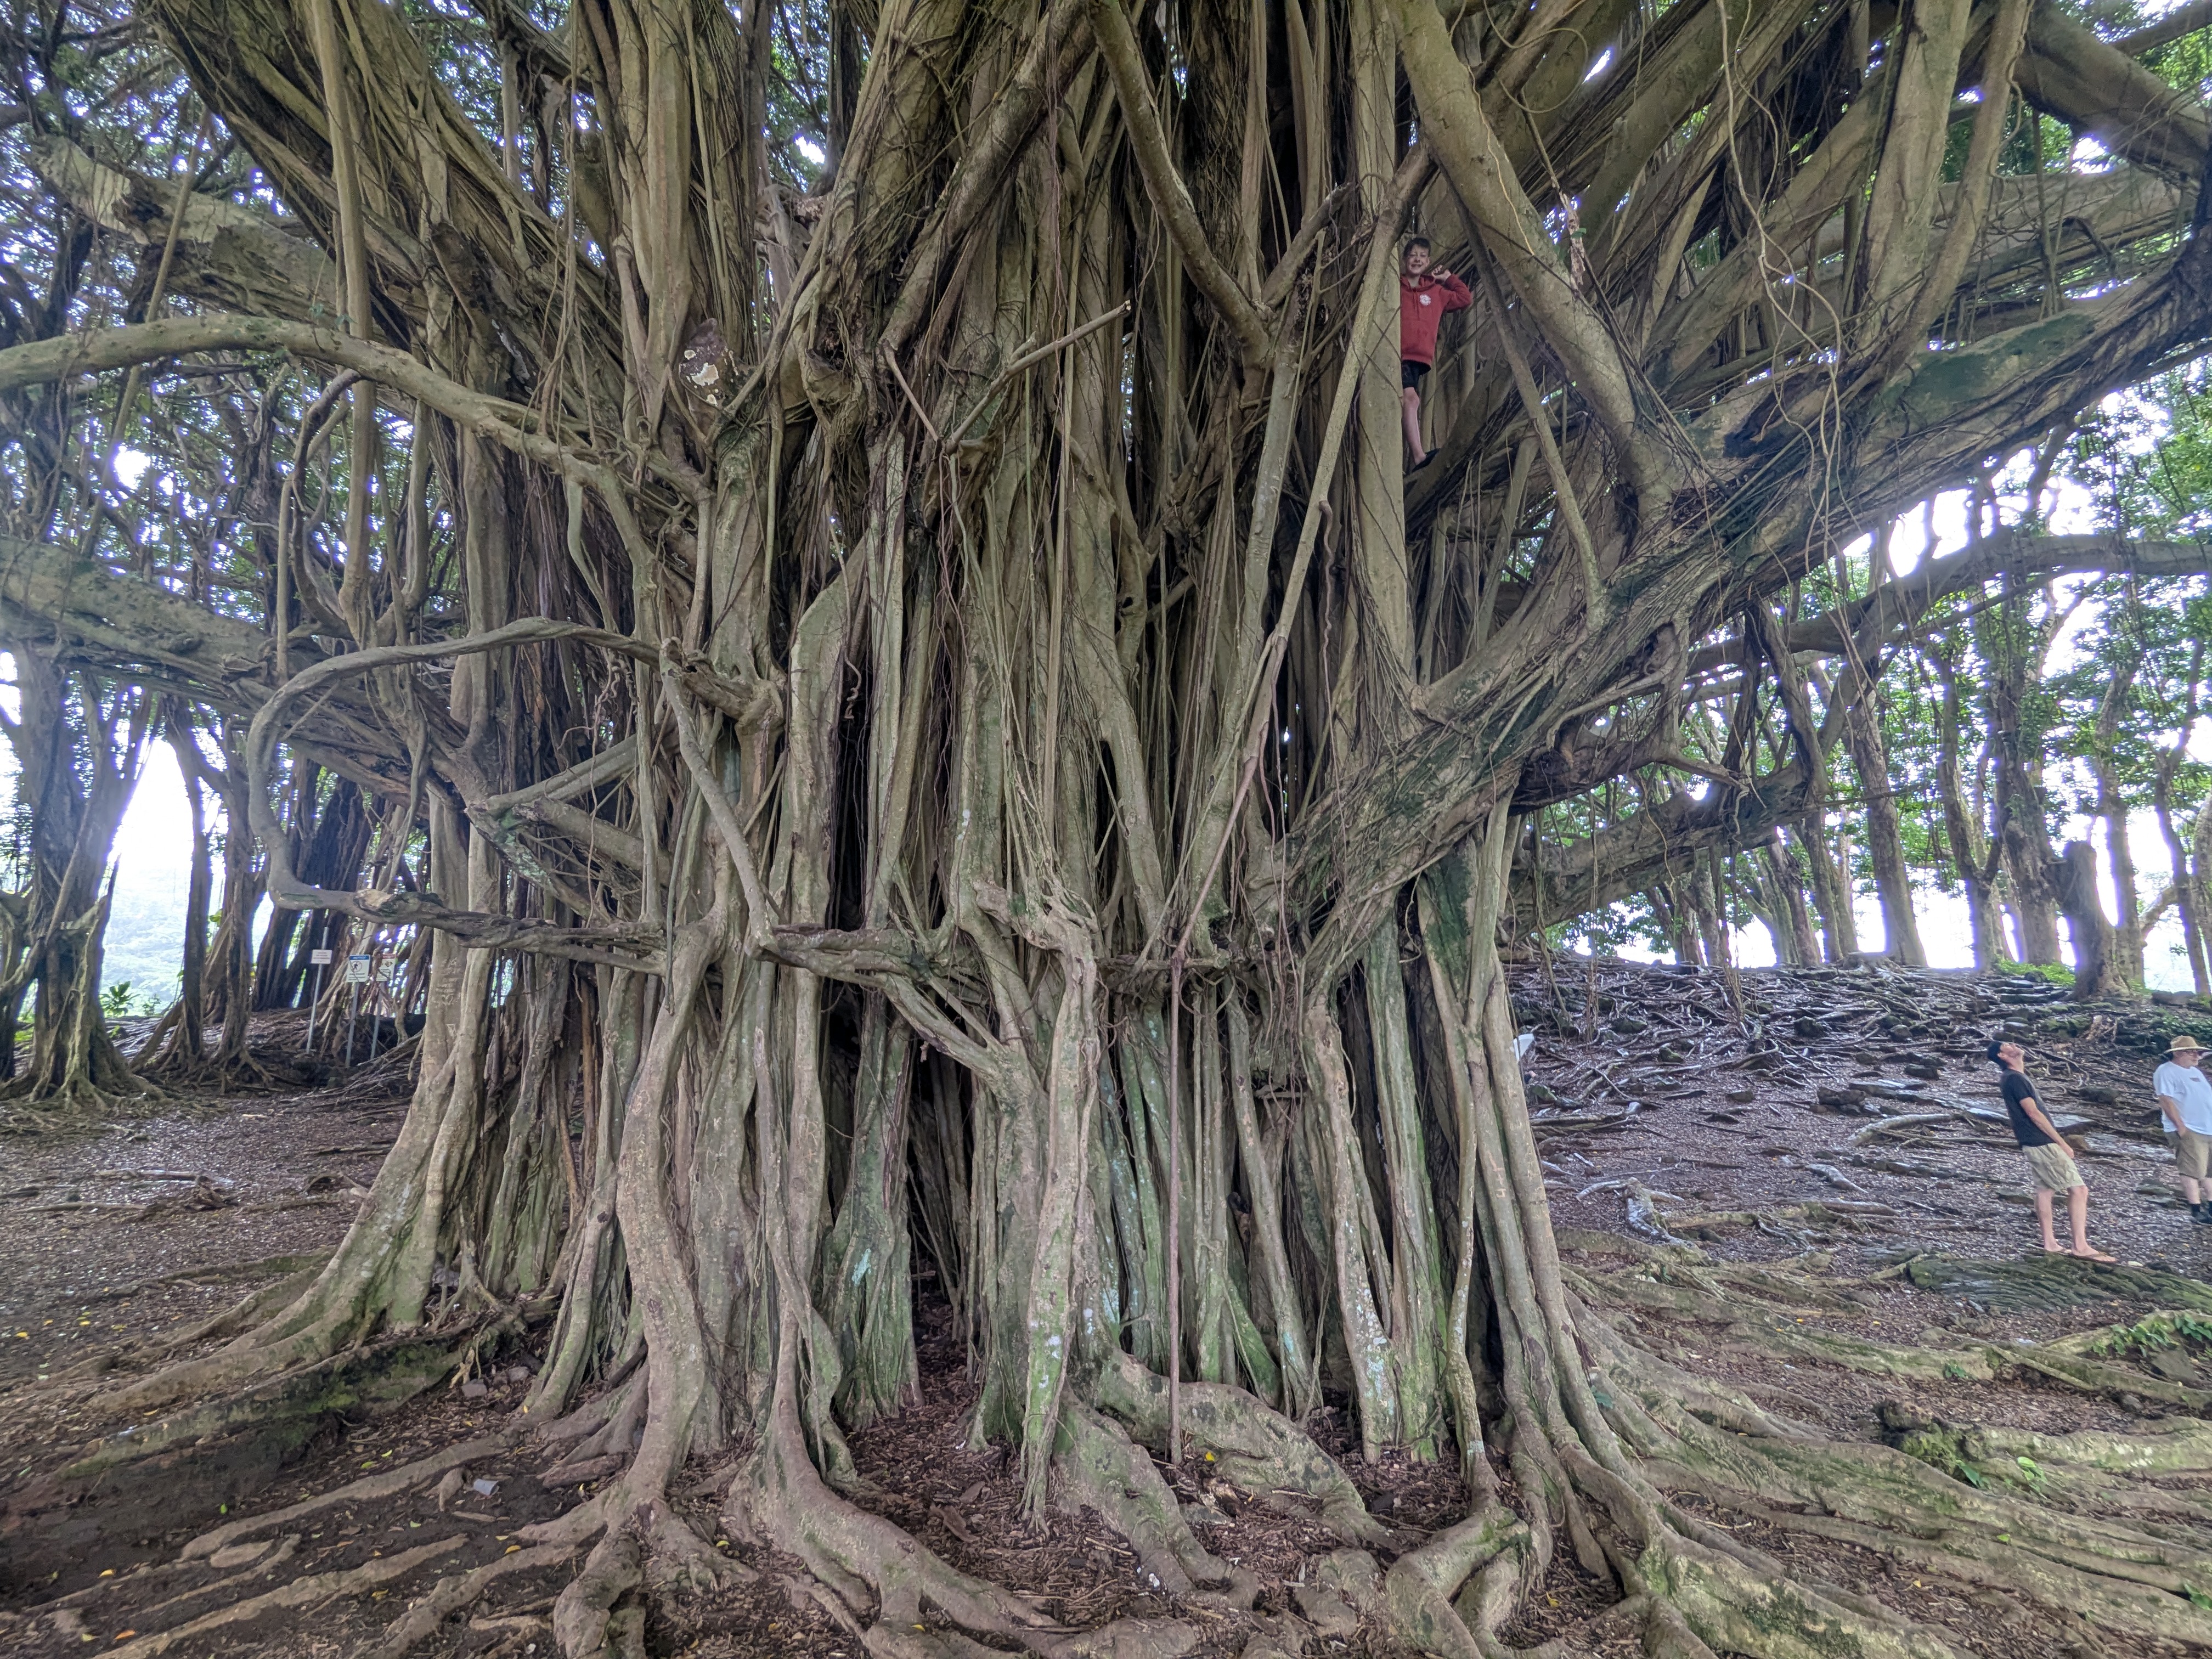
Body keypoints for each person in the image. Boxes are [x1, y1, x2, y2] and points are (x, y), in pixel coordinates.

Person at [1988, 1039, 2114, 1261]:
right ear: (2002, 1055)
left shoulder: (2014, 1078)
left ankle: (2050, 1243)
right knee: (2079, 1190)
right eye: (2007, 1045)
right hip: (2041, 1141)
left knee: (2045, 1190)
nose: (2013, 1045)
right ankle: (2080, 1246)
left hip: (2032, 1142)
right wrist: (2062, 1143)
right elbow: (2034, 1113)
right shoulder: (2015, 1079)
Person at [1399, 237, 1471, 471]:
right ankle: (1419, 457)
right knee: (1411, 399)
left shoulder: (1436, 292)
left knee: (1411, 400)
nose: (1417, 260)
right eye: (1412, 255)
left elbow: (1464, 298)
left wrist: (1447, 278)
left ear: (1428, 261)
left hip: (1419, 360)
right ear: (1404, 260)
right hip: (1398, 354)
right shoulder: (1395, 286)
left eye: (1422, 256)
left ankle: (1418, 454)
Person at [2154, 1035, 2212, 1223]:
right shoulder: (2167, 1071)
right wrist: (2180, 1127)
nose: (2196, 1055)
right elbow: (2166, 1100)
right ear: (2178, 1054)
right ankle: (2196, 1210)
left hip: (2207, 1128)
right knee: (2191, 1170)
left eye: (2198, 1052)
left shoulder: (2195, 1072)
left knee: (2209, 1171)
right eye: (2192, 1051)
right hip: (2190, 1129)